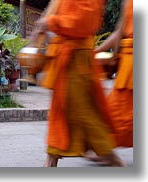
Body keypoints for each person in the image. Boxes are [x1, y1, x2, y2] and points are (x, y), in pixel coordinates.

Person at [32, 0, 126, 167]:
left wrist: (51, 22)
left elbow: (83, 22)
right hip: (64, 58)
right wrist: (43, 27)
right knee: (60, 112)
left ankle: (113, 160)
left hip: (77, 61)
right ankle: (50, 162)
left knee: (84, 114)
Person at [84, 0, 133, 163]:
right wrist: (100, 51)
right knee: (114, 109)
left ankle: (103, 147)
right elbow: (119, 31)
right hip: (128, 61)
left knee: (124, 114)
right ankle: (103, 146)